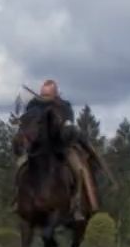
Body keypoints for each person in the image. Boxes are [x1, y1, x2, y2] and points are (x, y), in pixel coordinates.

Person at [16, 79, 94, 221]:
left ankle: (76, 203)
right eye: (42, 95)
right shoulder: (33, 106)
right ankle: (19, 200)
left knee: (79, 169)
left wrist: (57, 118)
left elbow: (67, 129)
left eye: (47, 96)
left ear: (55, 94)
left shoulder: (64, 107)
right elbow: (29, 124)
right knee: (20, 165)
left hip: (60, 148)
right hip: (38, 149)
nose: (44, 98)